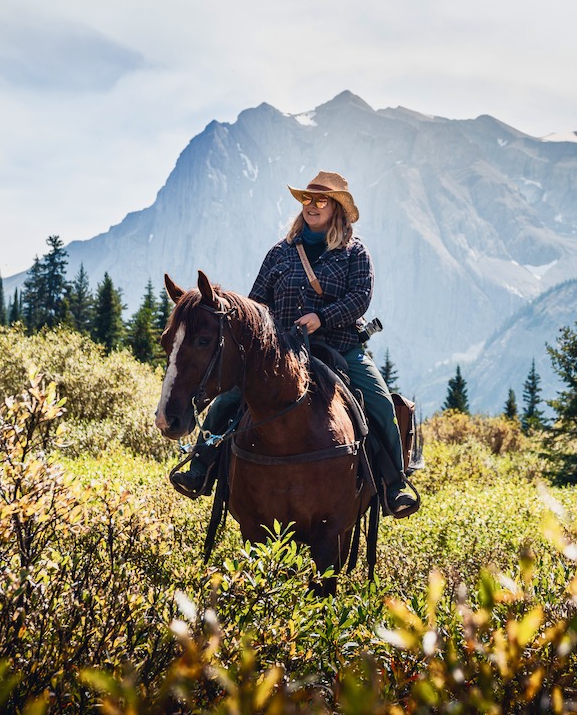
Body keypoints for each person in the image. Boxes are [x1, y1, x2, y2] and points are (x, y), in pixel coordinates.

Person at [170, 170, 420, 517]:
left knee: (379, 403)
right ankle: (199, 467)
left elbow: (360, 297)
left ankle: (394, 485)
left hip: (342, 347)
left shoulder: (354, 253)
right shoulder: (280, 253)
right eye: (307, 199)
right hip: (282, 351)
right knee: (227, 400)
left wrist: (323, 318)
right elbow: (257, 303)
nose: (312, 205)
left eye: (321, 201)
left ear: (337, 209)